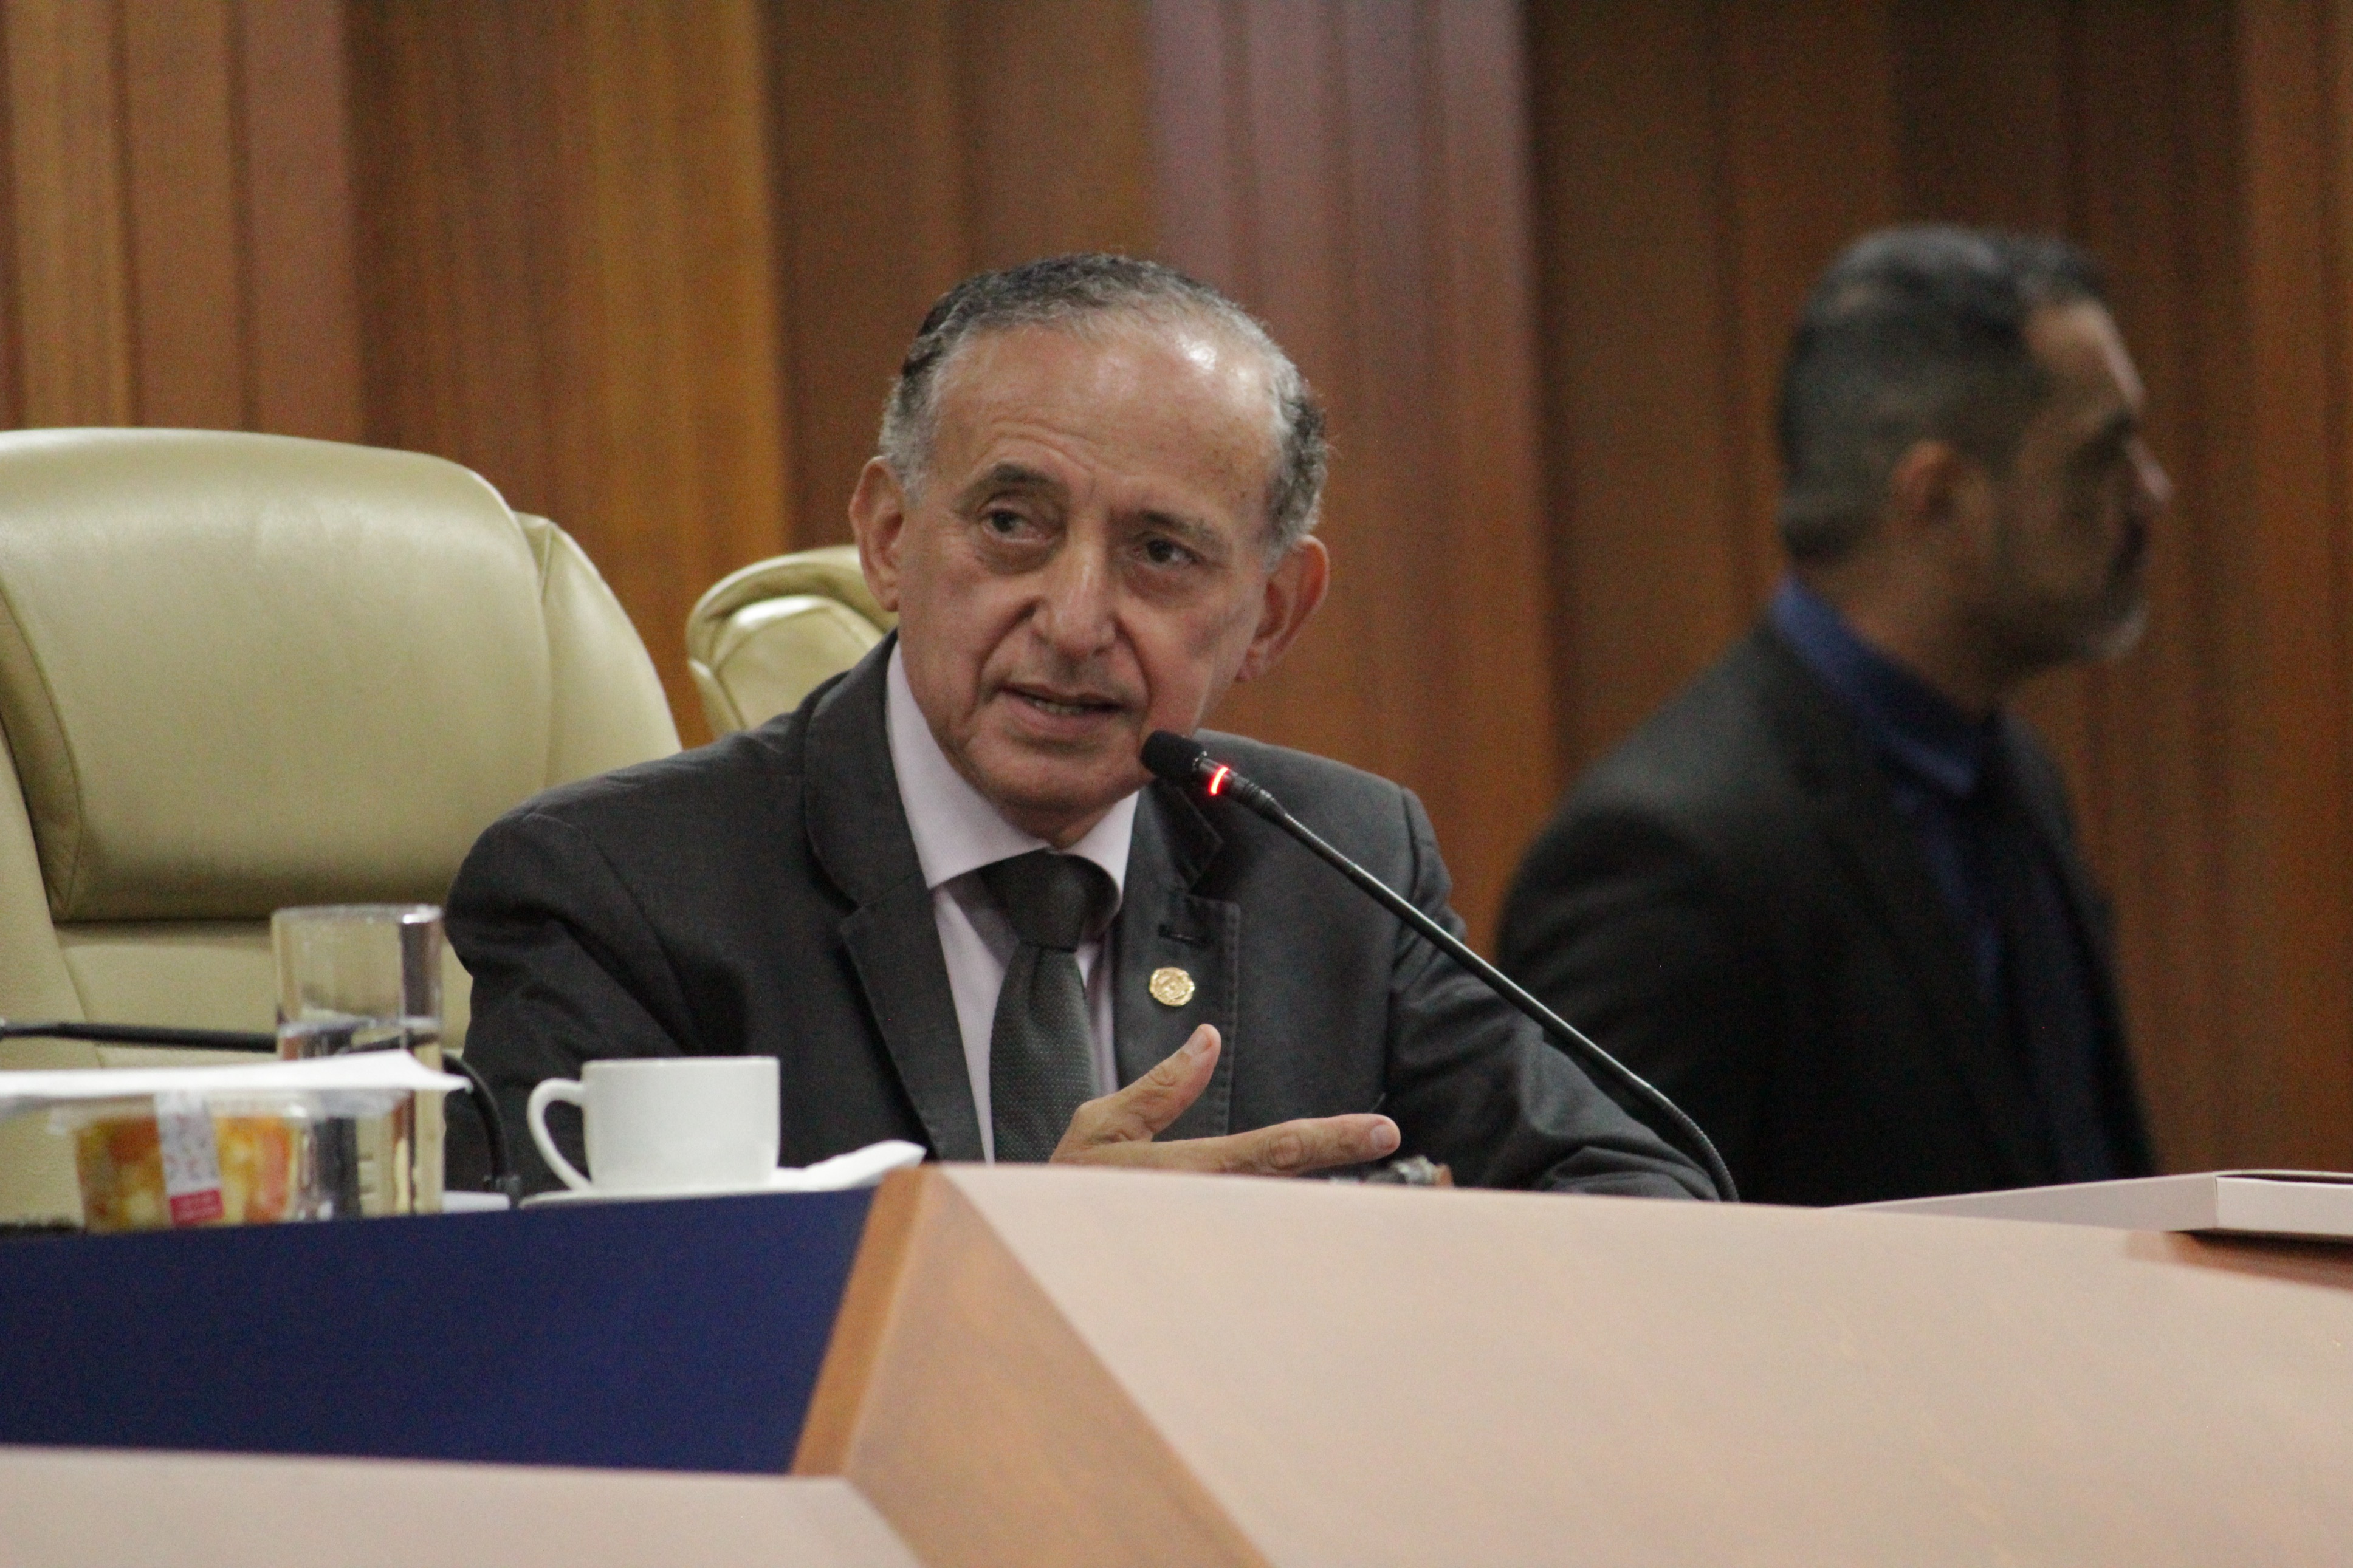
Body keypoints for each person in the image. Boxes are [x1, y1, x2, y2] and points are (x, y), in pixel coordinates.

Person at [448, 253, 1713, 1199]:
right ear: (888, 538)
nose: (1073, 619)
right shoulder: (620, 893)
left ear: (1272, 613)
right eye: (1012, 524)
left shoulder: (1338, 862)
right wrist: (1040, 1260)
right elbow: (561, 1332)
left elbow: (1641, 1191)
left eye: (1162, 552)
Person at [1497, 227, 2165, 1207]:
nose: (2151, 491)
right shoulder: (1662, 856)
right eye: (2103, 455)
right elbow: (1608, 1262)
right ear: (1940, 502)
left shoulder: (2012, 772)